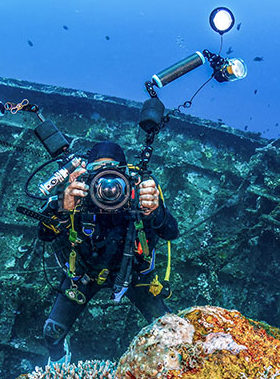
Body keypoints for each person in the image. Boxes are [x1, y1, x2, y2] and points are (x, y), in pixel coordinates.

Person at [37, 141, 179, 364]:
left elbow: (171, 232)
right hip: (83, 275)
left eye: (113, 171)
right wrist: (63, 208)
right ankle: (58, 358)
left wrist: (155, 210)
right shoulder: (75, 196)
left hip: (135, 275)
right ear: (86, 173)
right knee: (51, 332)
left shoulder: (138, 195)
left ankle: (170, 370)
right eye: (97, 171)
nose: (108, 184)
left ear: (126, 173)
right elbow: (45, 235)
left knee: (170, 333)